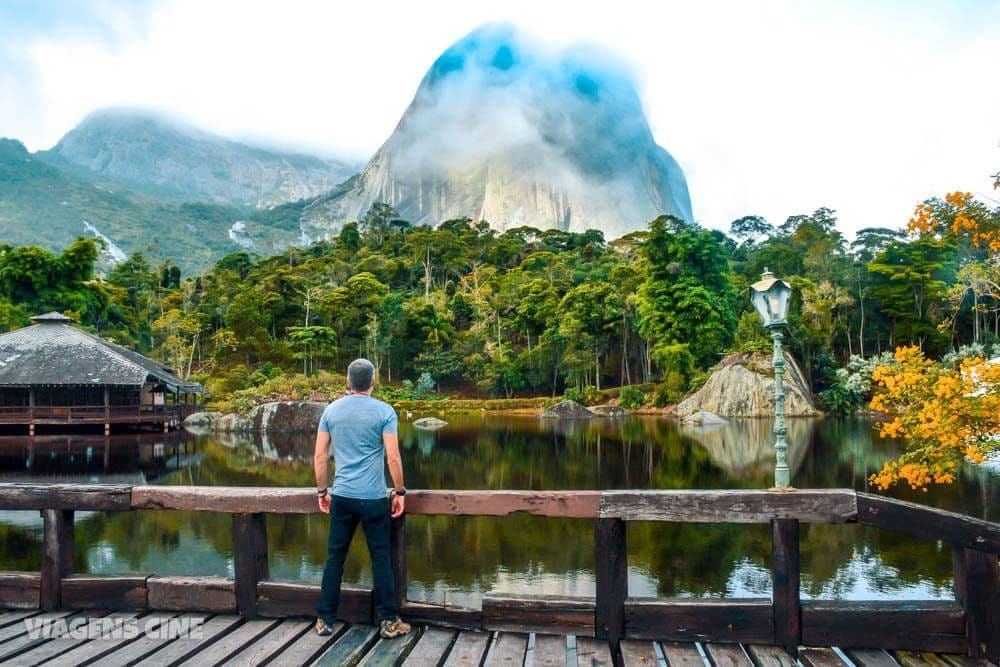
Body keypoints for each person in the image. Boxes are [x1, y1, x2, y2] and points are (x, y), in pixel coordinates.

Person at [314, 358, 411, 638]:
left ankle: (324, 619)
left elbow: (320, 456)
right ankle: (389, 621)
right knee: (380, 558)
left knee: (335, 558)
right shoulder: (385, 411)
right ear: (373, 382)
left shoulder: (331, 410)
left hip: (341, 495)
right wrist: (400, 491)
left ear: (347, 381)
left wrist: (322, 491)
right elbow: (392, 456)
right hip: (373, 497)